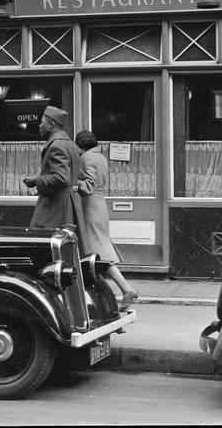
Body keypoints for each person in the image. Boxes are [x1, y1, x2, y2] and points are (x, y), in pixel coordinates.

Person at [75, 129, 138, 311]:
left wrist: (71, 182)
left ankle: (126, 289)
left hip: (89, 206)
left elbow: (88, 186)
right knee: (98, 251)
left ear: (80, 146)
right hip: (100, 205)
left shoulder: (86, 158)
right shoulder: (101, 157)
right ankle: (109, 291)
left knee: (97, 253)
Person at [24, 106, 85, 235]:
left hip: (56, 207)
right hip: (70, 203)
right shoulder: (71, 144)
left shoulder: (56, 146)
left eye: (42, 122)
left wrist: (37, 181)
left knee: (43, 242)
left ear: (51, 124)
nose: (39, 126)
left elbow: (61, 178)